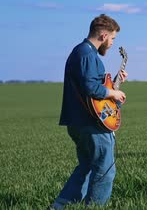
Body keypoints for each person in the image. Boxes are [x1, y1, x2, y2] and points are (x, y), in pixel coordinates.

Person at [51, 14, 128, 209]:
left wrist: (115, 82)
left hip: (78, 122)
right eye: (112, 38)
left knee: (86, 167)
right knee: (105, 171)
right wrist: (114, 92)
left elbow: (91, 85)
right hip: (90, 125)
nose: (111, 43)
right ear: (103, 35)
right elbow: (90, 88)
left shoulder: (82, 52)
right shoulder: (86, 53)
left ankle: (59, 206)